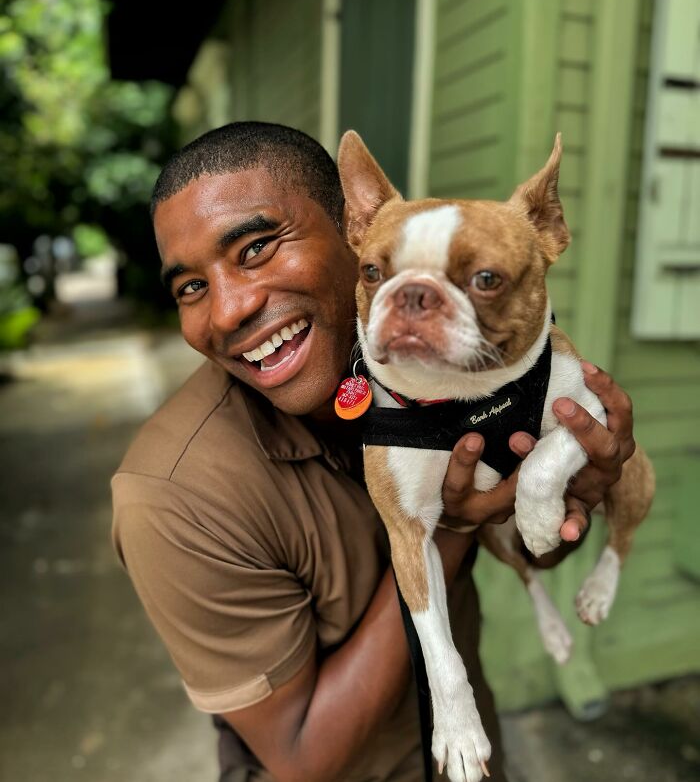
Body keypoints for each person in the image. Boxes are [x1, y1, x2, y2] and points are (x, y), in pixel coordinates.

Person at [112, 122, 636, 782]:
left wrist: (573, 486)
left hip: (472, 753)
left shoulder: (474, 372)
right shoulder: (173, 495)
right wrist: (448, 525)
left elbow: (539, 544)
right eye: (190, 287)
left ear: (349, 226)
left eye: (255, 248)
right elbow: (304, 754)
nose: (226, 312)